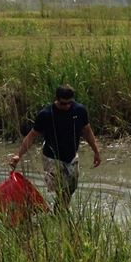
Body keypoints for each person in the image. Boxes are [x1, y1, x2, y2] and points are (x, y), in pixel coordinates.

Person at [8, 84, 101, 212]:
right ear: (56, 99)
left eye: (69, 103)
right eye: (63, 104)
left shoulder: (79, 111)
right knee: (61, 190)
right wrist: (19, 155)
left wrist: (96, 151)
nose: (67, 106)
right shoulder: (45, 114)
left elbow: (87, 131)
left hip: (72, 156)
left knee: (71, 188)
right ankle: (61, 214)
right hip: (52, 158)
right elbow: (31, 137)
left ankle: (59, 211)